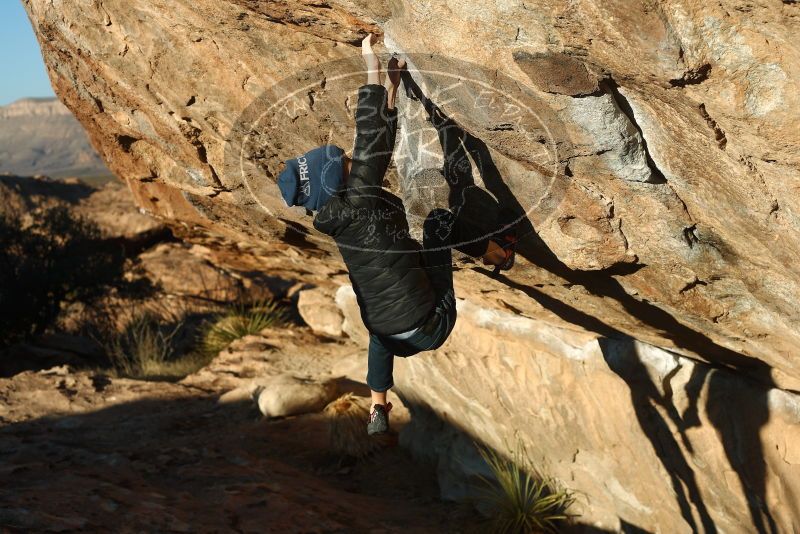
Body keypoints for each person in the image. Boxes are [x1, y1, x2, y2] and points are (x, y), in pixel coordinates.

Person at [276, 34, 517, 435]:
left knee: (380, 319)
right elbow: (373, 140)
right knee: (439, 223)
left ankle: (378, 407)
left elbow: (373, 143)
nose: (350, 159)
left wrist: (391, 83)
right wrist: (372, 69)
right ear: (336, 179)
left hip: (394, 333)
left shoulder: (335, 221)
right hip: (431, 324)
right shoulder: (359, 201)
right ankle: (500, 254)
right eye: (343, 162)